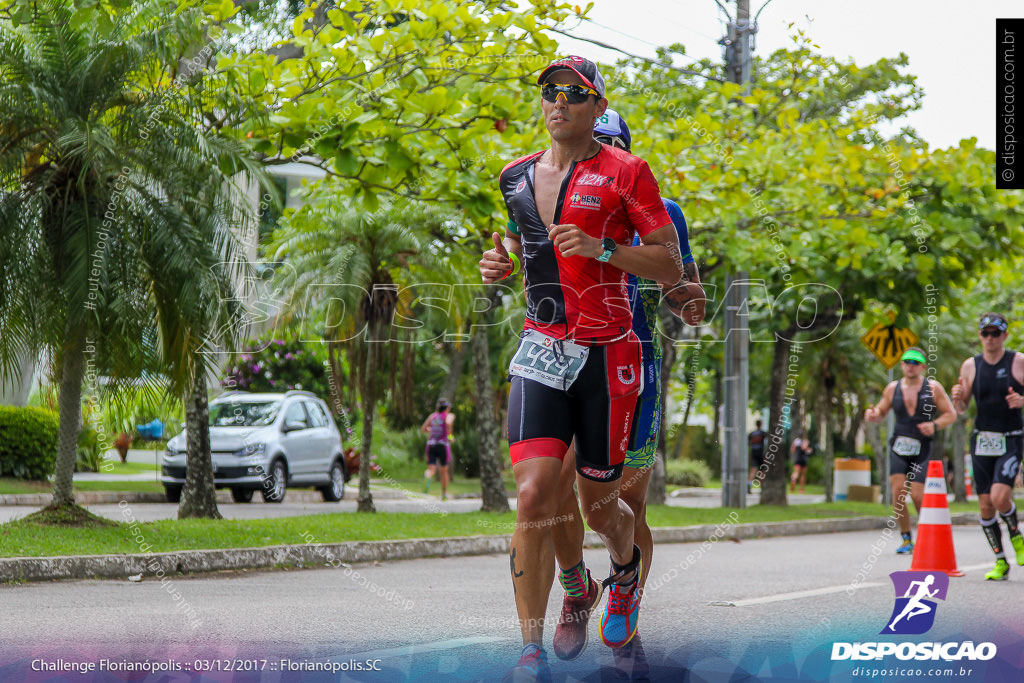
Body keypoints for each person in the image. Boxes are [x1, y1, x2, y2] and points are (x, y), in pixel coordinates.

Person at [478, 56, 685, 683]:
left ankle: (622, 572)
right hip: (541, 348)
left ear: (597, 106)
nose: (558, 100)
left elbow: (670, 268)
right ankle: (530, 651)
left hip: (610, 352)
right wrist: (497, 269)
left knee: (600, 507)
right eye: (549, 91)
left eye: (574, 92)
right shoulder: (514, 177)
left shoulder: (629, 173)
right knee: (536, 494)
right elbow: (515, 247)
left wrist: (604, 250)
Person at [545, 109, 704, 679]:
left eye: (607, 146)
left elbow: (683, 286)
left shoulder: (660, 212)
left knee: (622, 508)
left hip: (632, 371)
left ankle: (625, 611)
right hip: (561, 361)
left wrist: (687, 296)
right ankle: (573, 587)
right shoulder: (548, 191)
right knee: (551, 489)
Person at [950, 313, 1024, 580]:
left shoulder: (1018, 361)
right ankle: (1000, 561)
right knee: (985, 507)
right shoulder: (970, 366)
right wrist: (957, 398)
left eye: (995, 333)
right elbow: (960, 409)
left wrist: (1022, 401)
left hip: (1011, 437)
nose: (990, 339)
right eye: (985, 334)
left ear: (1005, 335)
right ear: (980, 336)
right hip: (982, 440)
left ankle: (1016, 535)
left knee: (1000, 497)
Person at [864, 347, 956, 554]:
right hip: (899, 445)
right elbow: (880, 411)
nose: (910, 366)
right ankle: (906, 538)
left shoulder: (933, 388)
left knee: (917, 494)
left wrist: (935, 425)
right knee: (897, 492)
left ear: (923, 366)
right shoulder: (892, 388)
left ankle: (927, 536)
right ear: (902, 365)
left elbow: (950, 414)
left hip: (922, 448)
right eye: (907, 362)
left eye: (915, 362)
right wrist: (872, 415)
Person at [420, 399, 454, 500]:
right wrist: (450, 437)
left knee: (431, 469)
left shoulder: (432, 416)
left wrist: (432, 429)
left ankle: (428, 476)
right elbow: (448, 423)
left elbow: (423, 429)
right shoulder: (449, 415)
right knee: (444, 471)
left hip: (431, 445)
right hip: (442, 445)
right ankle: (444, 494)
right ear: (447, 408)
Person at [748, 420, 767, 494]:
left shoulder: (751, 434)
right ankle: (762, 488)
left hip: (753, 453)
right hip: (761, 454)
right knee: (762, 471)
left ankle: (749, 485)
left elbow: (749, 444)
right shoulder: (763, 433)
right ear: (761, 424)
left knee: (753, 470)